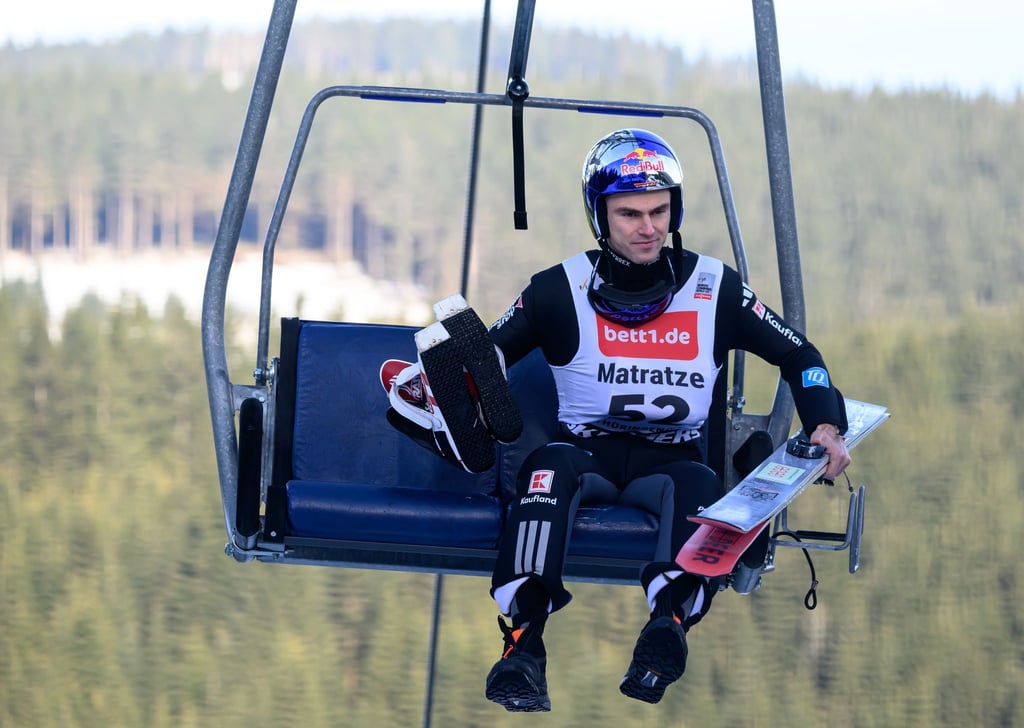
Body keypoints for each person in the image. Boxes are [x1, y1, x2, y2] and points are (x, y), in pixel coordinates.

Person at [478, 128, 851, 712]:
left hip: (671, 462)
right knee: (544, 470)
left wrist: (826, 424)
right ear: (600, 215)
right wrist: (452, 378)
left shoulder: (714, 287)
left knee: (703, 485)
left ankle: (669, 623)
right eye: (629, 213)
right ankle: (524, 641)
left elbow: (799, 356)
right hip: (585, 456)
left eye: (659, 210)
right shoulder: (558, 288)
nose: (647, 227)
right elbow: (489, 352)